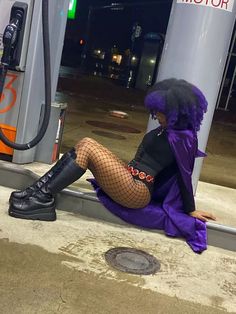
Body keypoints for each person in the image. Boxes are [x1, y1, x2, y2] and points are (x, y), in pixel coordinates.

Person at [8, 78, 216, 252]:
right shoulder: (167, 131)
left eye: (162, 111)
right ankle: (36, 192)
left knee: (88, 147)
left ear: (176, 113)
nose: (157, 115)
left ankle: (42, 198)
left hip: (138, 191)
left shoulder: (183, 138)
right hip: (130, 178)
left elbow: (184, 174)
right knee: (85, 144)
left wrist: (190, 209)